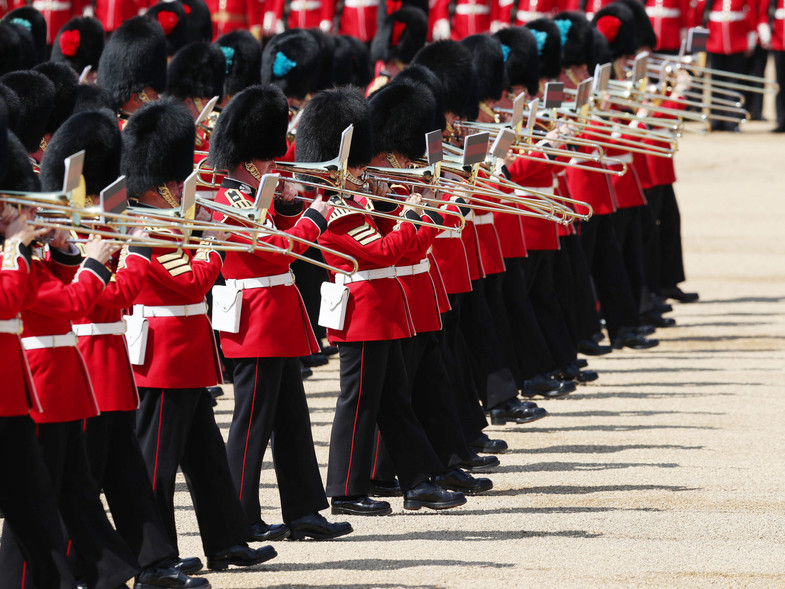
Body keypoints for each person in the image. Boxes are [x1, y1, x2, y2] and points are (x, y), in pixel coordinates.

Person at [122, 99, 275, 571]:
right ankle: (154, 555)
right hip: (164, 359)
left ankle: (227, 540)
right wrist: (210, 244)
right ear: (155, 186)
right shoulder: (147, 229)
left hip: (187, 356)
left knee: (206, 460)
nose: (177, 185)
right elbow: (190, 281)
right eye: (170, 180)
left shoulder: (168, 222)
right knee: (157, 468)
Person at [298, 86, 467, 515]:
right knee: (358, 404)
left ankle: (417, 481)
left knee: (393, 403)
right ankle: (347, 490)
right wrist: (412, 215)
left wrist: (411, 207)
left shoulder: (357, 201)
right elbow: (383, 253)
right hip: (362, 312)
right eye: (353, 166)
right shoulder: (338, 211)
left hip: (382, 311)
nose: (359, 171)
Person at [208, 84, 353, 541]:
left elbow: (275, 230)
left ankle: (305, 510)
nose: (276, 163)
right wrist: (315, 215)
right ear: (251, 159)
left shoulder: (256, 195)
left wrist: (291, 206)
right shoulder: (229, 199)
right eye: (269, 158)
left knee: (292, 419)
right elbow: (277, 252)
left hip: (275, 317)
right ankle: (238, 517)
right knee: (251, 425)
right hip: (256, 320)